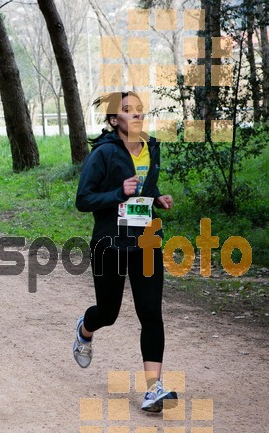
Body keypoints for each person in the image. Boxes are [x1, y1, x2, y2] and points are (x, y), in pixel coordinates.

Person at [73, 91, 178, 413]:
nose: (136, 115)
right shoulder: (102, 154)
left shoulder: (151, 146)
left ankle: (153, 388)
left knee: (150, 312)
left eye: (139, 110)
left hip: (146, 239)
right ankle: (85, 329)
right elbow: (83, 200)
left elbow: (144, 183)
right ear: (114, 119)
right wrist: (119, 193)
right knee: (109, 312)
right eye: (128, 111)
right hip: (111, 243)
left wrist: (156, 197)